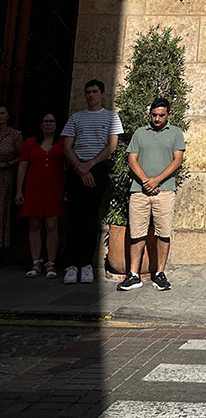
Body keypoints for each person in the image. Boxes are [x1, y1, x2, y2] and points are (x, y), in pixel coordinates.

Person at [117, 98, 186, 292]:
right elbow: (132, 160)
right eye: (154, 115)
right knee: (137, 232)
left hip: (164, 190)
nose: (157, 119)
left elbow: (177, 160)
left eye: (161, 115)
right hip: (139, 191)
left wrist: (157, 181)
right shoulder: (140, 133)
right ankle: (133, 274)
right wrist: (147, 181)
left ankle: (160, 273)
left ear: (168, 114)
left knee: (163, 232)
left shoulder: (175, 133)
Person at [61, 80, 124, 284]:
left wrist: (91, 164)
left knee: (90, 217)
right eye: (88, 92)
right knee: (75, 218)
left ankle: (86, 264)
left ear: (102, 94)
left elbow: (112, 146)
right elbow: (67, 146)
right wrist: (80, 167)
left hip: (97, 169)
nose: (91, 95)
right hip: (77, 169)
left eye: (95, 91)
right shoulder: (76, 117)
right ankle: (72, 264)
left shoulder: (111, 117)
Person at [15, 112, 64, 278]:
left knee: (52, 225)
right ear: (41, 125)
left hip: (54, 187)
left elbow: (67, 166)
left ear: (56, 124)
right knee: (34, 225)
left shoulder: (62, 143)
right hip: (33, 188)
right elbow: (22, 166)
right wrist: (19, 190)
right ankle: (36, 262)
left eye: (52, 121)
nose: (49, 124)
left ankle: (51, 264)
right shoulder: (30, 143)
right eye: (45, 121)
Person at [0, 104, 22, 251]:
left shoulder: (15, 135)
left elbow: (23, 157)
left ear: (8, 116)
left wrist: (7, 163)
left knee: (2, 211)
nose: (0, 115)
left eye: (2, 113)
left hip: (5, 176)